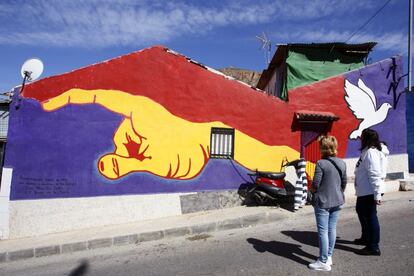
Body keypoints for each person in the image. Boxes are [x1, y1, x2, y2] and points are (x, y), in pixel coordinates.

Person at [308, 135, 347, 272]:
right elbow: (344, 182)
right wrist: (338, 192)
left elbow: (316, 183)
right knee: (332, 229)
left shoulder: (321, 163)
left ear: (323, 148)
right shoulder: (342, 163)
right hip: (337, 200)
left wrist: (310, 191)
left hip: (323, 202)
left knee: (323, 231)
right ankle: (329, 256)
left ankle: (323, 261)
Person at [354, 128, 389, 256]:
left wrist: (377, 194)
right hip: (364, 191)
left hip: (369, 191)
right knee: (361, 212)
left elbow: (374, 174)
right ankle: (366, 237)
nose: (360, 138)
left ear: (366, 138)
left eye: (362, 136)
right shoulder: (368, 151)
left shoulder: (371, 153)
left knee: (370, 217)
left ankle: (373, 246)